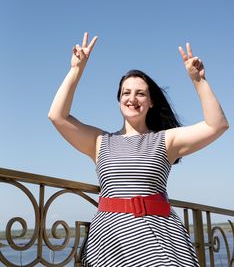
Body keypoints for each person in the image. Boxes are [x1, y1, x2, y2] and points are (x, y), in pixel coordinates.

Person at [48, 32, 229, 267]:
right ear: (119, 100)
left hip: (159, 240)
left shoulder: (166, 140)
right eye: (126, 92)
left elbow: (217, 125)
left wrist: (198, 80)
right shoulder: (100, 141)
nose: (132, 98)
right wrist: (76, 70)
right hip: (109, 243)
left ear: (151, 102)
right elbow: (57, 116)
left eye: (140, 93)